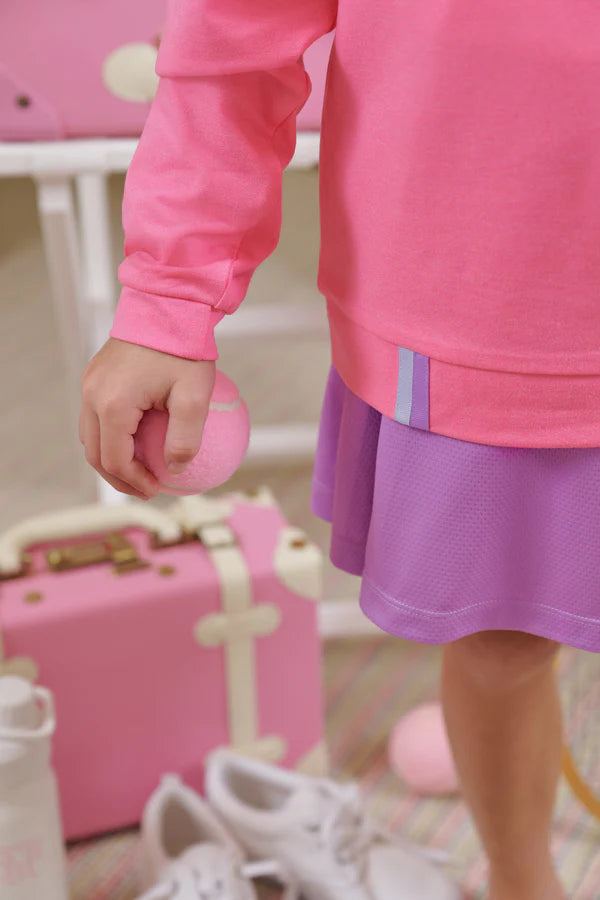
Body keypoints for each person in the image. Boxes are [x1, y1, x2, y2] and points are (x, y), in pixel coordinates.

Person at [80, 2, 600, 897]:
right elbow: (232, 45)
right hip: (481, 297)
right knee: (501, 646)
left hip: (479, 291)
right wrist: (169, 293)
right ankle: (523, 880)